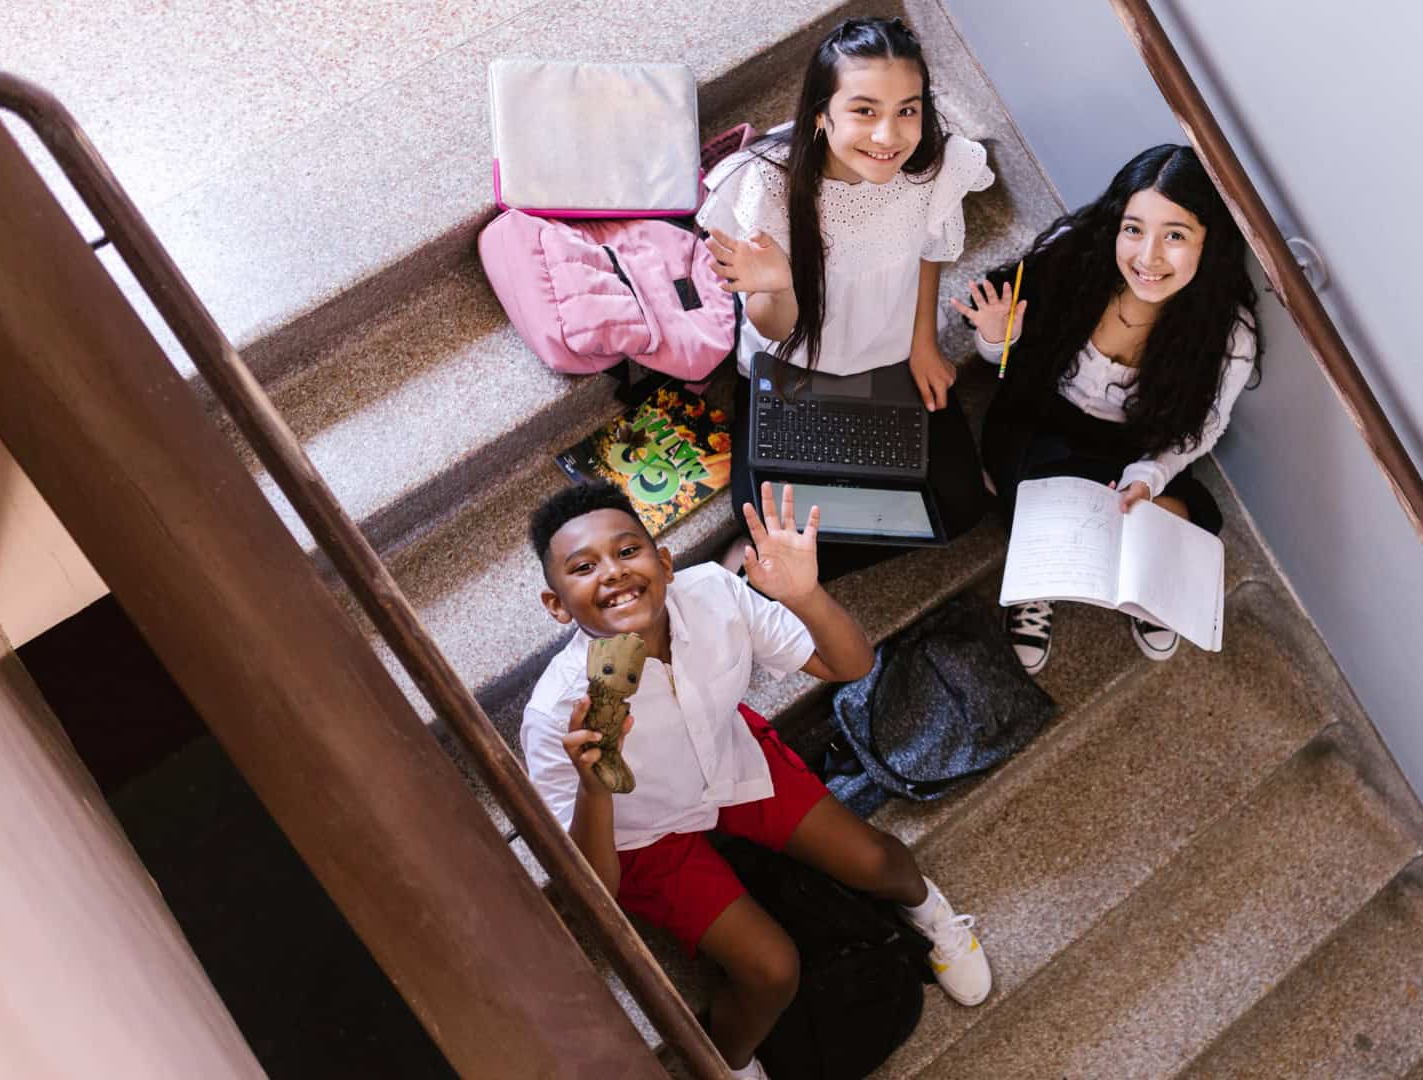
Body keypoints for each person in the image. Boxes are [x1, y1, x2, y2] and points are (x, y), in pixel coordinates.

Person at [520, 481, 991, 1080]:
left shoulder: (713, 591)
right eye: (584, 567)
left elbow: (849, 665)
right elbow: (593, 886)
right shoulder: (554, 712)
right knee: (771, 969)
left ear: (664, 562)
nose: (612, 572)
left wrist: (807, 596)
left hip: (733, 761)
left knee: (879, 863)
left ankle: (931, 915)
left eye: (628, 551)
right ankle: (733, 1064)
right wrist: (594, 787)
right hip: (641, 833)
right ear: (558, 604)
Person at [699, 16, 993, 578]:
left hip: (888, 358)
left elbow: (931, 245)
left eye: (906, 109)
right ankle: (776, 562)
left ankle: (791, 561)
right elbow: (776, 330)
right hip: (794, 372)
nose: (888, 137)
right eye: (864, 110)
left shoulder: (928, 162)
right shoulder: (767, 187)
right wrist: (778, 283)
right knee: (763, 514)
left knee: (961, 508)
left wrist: (923, 342)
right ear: (820, 115)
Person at [951, 144, 1262, 670]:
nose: (1148, 257)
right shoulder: (1076, 258)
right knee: (1031, 477)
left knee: (1185, 512)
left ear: (1210, 242)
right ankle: (1039, 575)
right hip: (1041, 417)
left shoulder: (1227, 332)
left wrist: (1149, 475)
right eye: (1135, 229)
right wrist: (997, 338)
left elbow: (1203, 431)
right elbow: (1006, 366)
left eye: (1176, 236)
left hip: (1129, 444)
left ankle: (1146, 585)